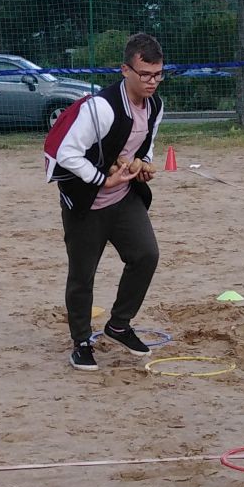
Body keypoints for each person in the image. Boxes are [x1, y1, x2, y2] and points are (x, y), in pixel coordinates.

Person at [49, 33, 165, 371]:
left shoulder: (155, 105)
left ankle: (119, 325)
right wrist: (103, 179)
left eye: (158, 74)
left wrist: (143, 163)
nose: (152, 82)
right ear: (125, 70)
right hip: (85, 201)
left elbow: (144, 145)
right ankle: (82, 341)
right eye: (145, 74)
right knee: (82, 275)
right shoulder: (100, 108)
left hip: (123, 198)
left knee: (146, 255)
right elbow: (66, 153)